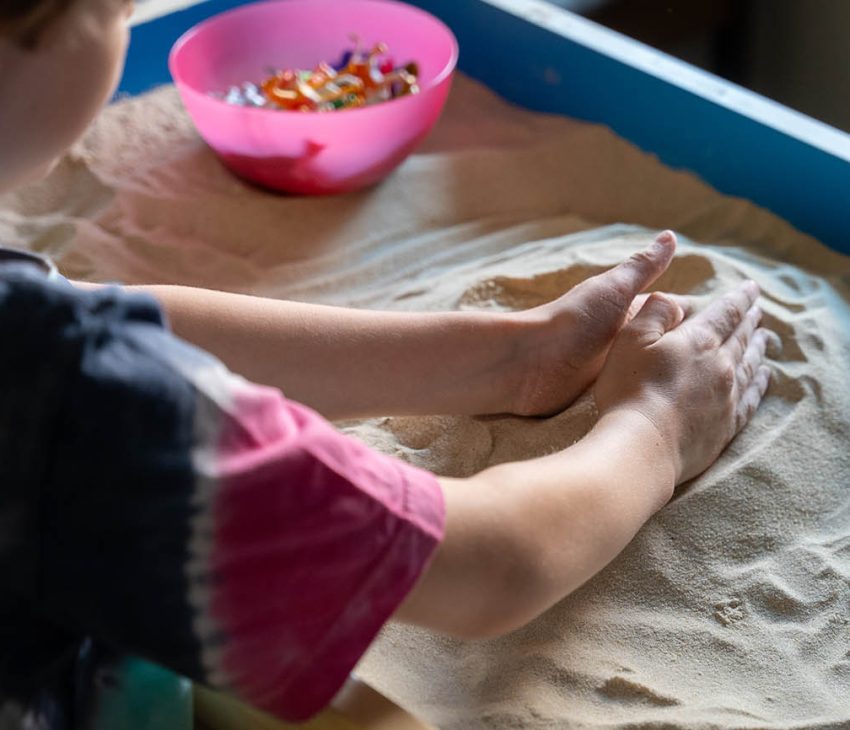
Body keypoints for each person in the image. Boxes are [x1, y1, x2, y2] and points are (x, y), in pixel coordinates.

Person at [0, 0, 773, 727]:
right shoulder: (83, 411)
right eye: (112, 10)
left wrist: (512, 356)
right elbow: (484, 569)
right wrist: (658, 426)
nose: (125, 28)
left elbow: (89, 315)